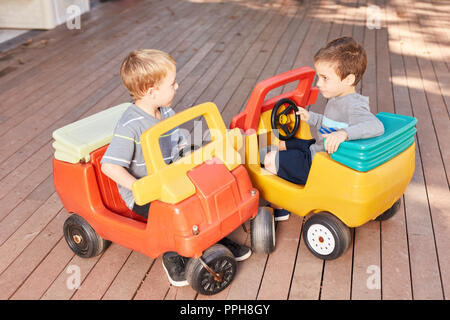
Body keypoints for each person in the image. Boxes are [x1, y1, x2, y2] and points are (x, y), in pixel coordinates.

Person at [101, 49, 251, 287]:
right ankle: (172, 253)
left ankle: (217, 238)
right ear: (151, 92)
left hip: (172, 176)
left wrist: (188, 155)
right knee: (179, 212)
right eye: (172, 84)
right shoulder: (130, 126)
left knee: (209, 187)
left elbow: (177, 141)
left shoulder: (166, 111)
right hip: (146, 194)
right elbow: (109, 166)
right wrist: (138, 187)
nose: (177, 86)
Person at [262, 37, 385, 221]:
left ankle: (281, 207)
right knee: (282, 144)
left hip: (320, 166)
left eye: (325, 78)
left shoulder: (354, 106)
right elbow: (330, 124)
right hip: (317, 150)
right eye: (319, 77)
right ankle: (260, 158)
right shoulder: (338, 98)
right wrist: (311, 117)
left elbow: (376, 126)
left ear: (348, 79)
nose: (318, 83)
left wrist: (344, 134)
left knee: (271, 158)